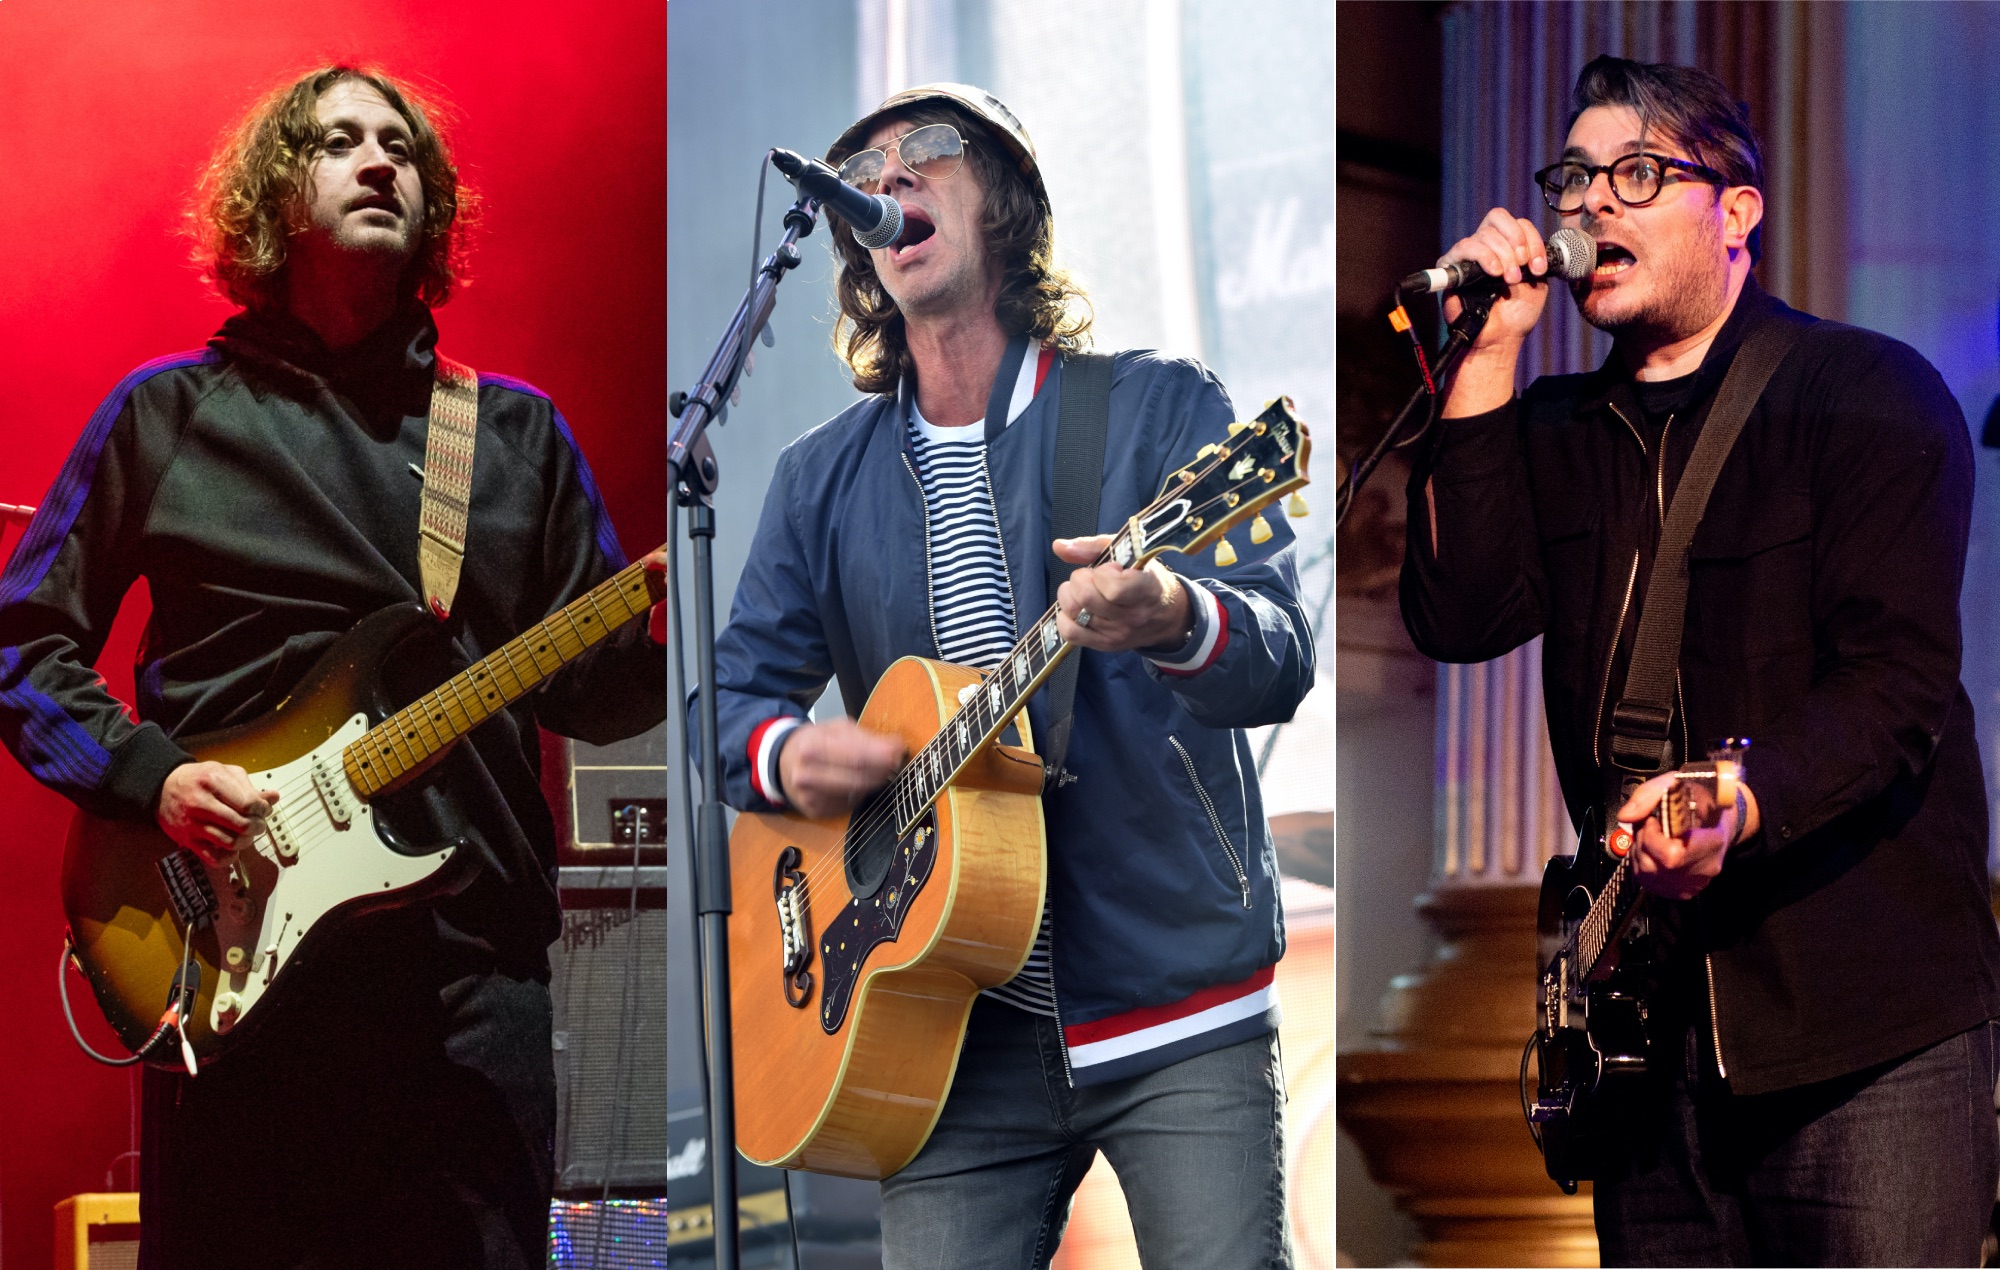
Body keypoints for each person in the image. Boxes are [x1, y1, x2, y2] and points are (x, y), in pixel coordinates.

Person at [0, 66, 666, 1268]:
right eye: (341, 140)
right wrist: (149, 777)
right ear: (273, 197)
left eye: (401, 147)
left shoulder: (511, 437)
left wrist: (687, 621)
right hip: (234, 960)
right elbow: (21, 639)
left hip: (468, 980)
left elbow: (605, 688)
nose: (380, 161)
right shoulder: (168, 415)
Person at [1401, 54, 2000, 1266]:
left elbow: (1895, 683)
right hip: (1642, 1034)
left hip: (1858, 1025)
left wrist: (1741, 796)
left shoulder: (1865, 393)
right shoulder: (1552, 428)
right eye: (1573, 178)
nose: (1590, 206)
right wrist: (1482, 360)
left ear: (1735, 213)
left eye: (1635, 172)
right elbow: (1456, 614)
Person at [704, 84, 1314, 1268]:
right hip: (939, 1035)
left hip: (1173, 1006)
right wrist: (786, 753)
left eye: (926, 151)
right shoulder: (815, 480)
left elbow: (1277, 654)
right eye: (864, 171)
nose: (890, 179)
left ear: (1007, 202)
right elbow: (718, 707)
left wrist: (1174, 612)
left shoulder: (1158, 408)